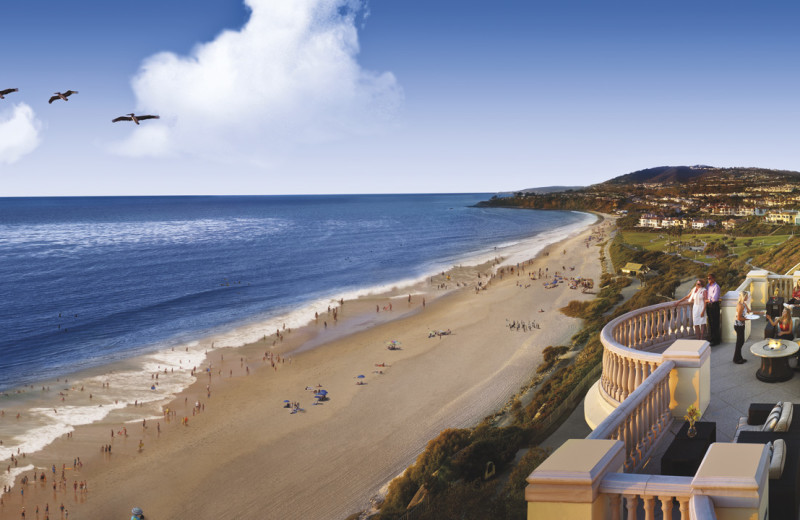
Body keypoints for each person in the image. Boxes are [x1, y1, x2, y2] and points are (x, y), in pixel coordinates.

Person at [733, 291, 751, 364]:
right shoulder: (740, 305)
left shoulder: (744, 304)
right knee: (739, 342)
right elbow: (739, 318)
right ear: (743, 297)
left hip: (742, 325)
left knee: (741, 341)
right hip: (738, 325)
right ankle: (736, 359)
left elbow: (749, 311)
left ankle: (739, 357)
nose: (747, 297)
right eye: (746, 296)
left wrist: (761, 313)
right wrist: (748, 319)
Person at [705, 273, 721, 346]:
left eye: (710, 278)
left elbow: (714, 298)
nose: (709, 280)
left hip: (714, 306)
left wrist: (707, 300)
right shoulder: (708, 286)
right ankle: (711, 338)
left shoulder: (716, 287)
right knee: (710, 323)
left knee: (715, 323)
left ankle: (716, 340)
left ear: (714, 279)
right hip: (709, 306)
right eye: (708, 278)